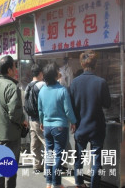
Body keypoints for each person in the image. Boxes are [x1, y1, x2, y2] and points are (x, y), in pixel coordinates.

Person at [70, 50, 111, 188]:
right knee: (96, 160)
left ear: (82, 64)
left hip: (80, 127)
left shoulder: (74, 83)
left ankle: (79, 183)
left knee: (79, 158)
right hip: (97, 128)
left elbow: (71, 106)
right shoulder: (101, 82)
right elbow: (107, 104)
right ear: (96, 64)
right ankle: (94, 184)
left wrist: (74, 122)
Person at [0, 55, 27, 188]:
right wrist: (23, 121)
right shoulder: (12, 87)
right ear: (9, 69)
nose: (15, 69)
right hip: (11, 134)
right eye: (14, 66)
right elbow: (14, 113)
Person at [38, 62, 76, 188]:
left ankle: (48, 182)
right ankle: (57, 183)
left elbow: (40, 110)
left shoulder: (42, 91)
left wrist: (42, 122)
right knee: (58, 155)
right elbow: (68, 110)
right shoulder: (62, 90)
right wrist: (74, 122)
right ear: (55, 75)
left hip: (47, 126)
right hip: (60, 127)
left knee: (49, 153)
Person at [24, 64, 45, 173]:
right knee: (47, 143)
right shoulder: (42, 85)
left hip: (31, 118)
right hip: (40, 119)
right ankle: (48, 168)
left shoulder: (28, 86)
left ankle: (37, 166)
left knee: (35, 144)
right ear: (41, 73)